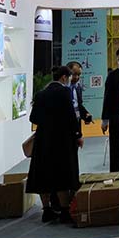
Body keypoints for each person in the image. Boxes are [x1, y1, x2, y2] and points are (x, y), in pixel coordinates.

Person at [26, 65, 83, 223]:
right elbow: (71, 116)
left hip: (43, 140)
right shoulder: (65, 92)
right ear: (64, 77)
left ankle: (46, 210)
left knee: (43, 175)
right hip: (62, 140)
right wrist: (78, 135)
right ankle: (64, 211)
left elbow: (33, 118)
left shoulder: (40, 94)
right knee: (62, 175)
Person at [66, 61, 94, 130]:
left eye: (79, 75)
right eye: (74, 74)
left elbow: (78, 105)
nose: (77, 77)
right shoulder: (61, 88)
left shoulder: (78, 87)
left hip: (77, 124)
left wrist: (86, 115)